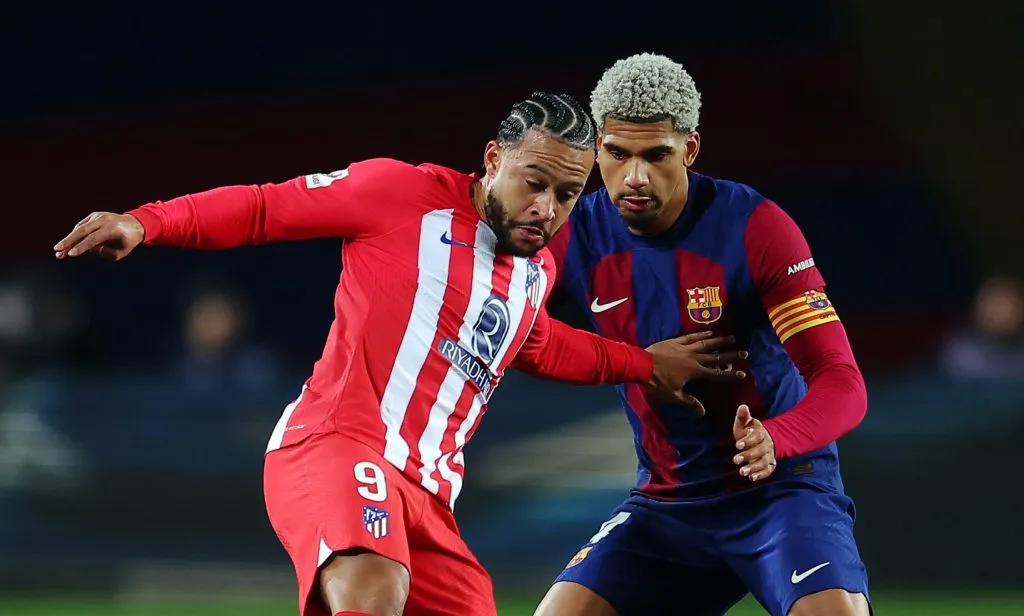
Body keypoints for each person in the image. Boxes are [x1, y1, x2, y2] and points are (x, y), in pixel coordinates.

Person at [53, 91, 747, 616]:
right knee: (371, 589)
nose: (547, 206)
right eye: (533, 181)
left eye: (567, 194)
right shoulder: (401, 194)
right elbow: (268, 207)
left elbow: (533, 343)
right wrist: (147, 222)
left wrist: (643, 363)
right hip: (337, 446)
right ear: (492, 159)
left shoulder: (534, 272)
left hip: (431, 498)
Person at [534, 55, 872, 616]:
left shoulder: (755, 228)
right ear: (596, 150)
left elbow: (842, 381)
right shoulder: (576, 231)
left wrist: (776, 437)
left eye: (656, 155)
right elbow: (510, 334)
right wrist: (636, 363)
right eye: (617, 154)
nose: (635, 177)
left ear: (689, 150)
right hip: (666, 505)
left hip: (782, 493)